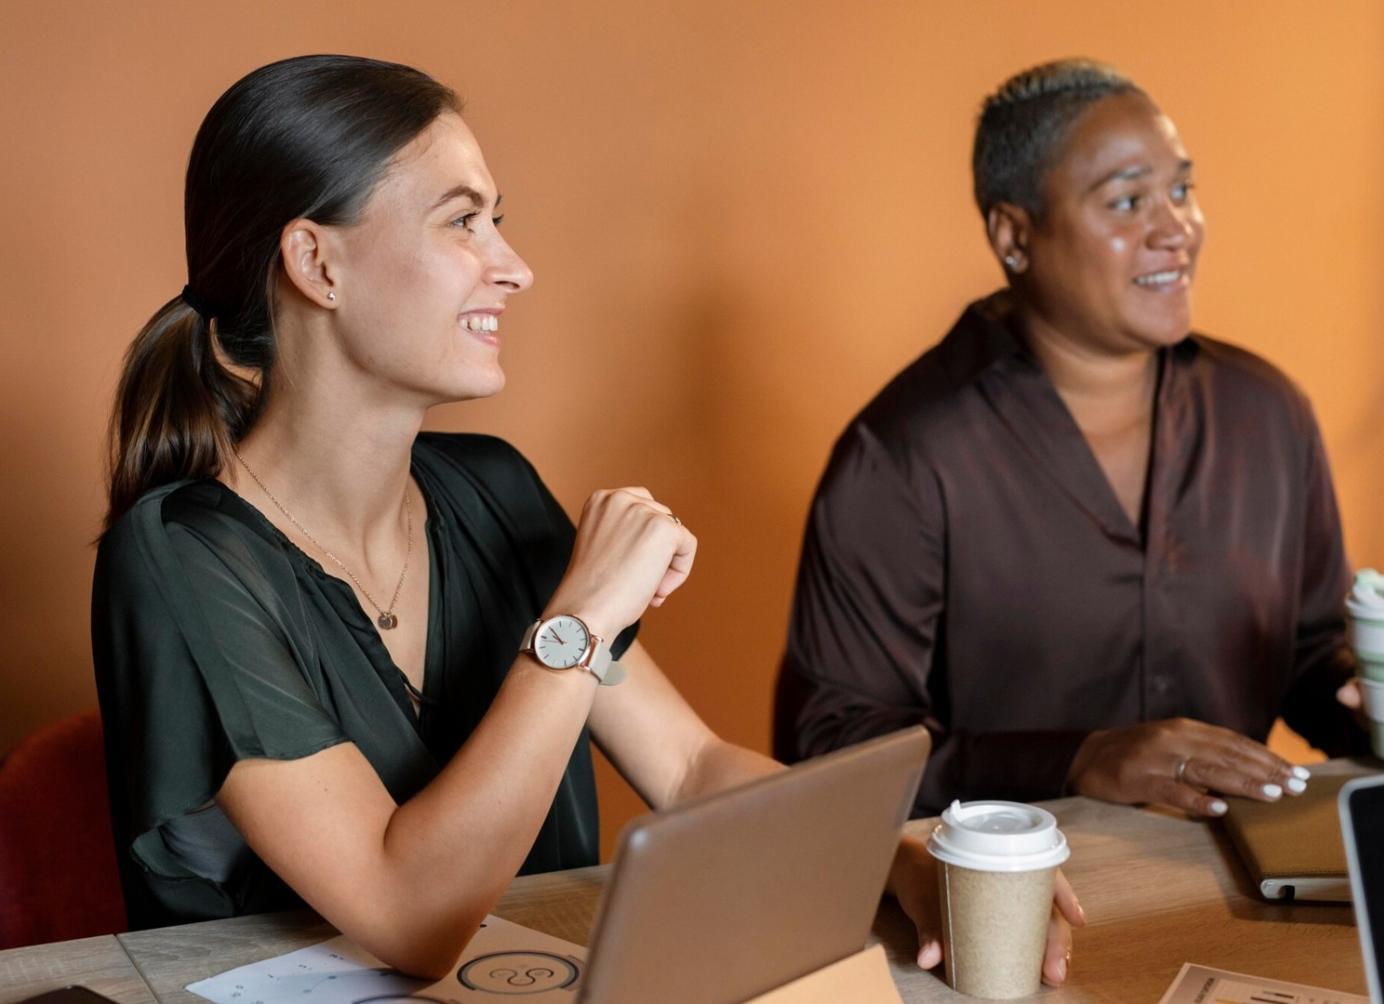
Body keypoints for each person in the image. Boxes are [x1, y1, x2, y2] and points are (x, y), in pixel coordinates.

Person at [91, 55, 1083, 983]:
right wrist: (578, 621)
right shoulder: (182, 557)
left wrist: (895, 854)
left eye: (499, 220)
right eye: (462, 221)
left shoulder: (494, 490)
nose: (513, 265)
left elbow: (690, 767)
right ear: (316, 262)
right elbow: (409, 915)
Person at [774, 58, 1384, 819]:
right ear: (1013, 234)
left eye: (1180, 190)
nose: (1174, 229)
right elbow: (830, 743)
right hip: (1012, 904)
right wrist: (1075, 760)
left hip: (1244, 888)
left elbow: (1305, 652)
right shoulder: (903, 457)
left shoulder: (1265, 415)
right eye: (1126, 201)